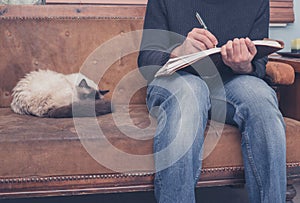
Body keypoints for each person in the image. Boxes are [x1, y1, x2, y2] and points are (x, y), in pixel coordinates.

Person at [137, 0, 286, 203]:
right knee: (190, 93)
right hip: (177, 81)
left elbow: (258, 66)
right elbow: (146, 61)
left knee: (261, 97)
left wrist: (244, 65)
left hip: (231, 81)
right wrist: (179, 51)